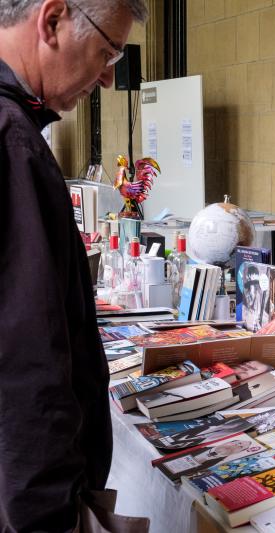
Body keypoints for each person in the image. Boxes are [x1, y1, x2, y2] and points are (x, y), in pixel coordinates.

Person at [0, 1, 147, 530]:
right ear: (53, 19)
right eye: (107, 50)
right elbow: (25, 360)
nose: (108, 77)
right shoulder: (13, 143)